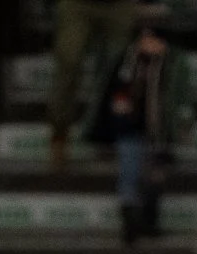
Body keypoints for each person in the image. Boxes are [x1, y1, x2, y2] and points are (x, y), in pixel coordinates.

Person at [90, 19, 192, 244]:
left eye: (152, 39)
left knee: (156, 176)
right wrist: (118, 108)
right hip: (130, 128)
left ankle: (149, 220)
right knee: (129, 174)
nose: (147, 44)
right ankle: (130, 225)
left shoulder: (173, 64)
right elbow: (112, 91)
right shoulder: (126, 61)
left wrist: (184, 123)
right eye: (144, 39)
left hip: (160, 130)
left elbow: (182, 97)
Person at [49, 0, 138, 168]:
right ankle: (59, 135)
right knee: (69, 62)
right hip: (77, 5)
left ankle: (111, 134)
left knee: (121, 66)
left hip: (119, 5)